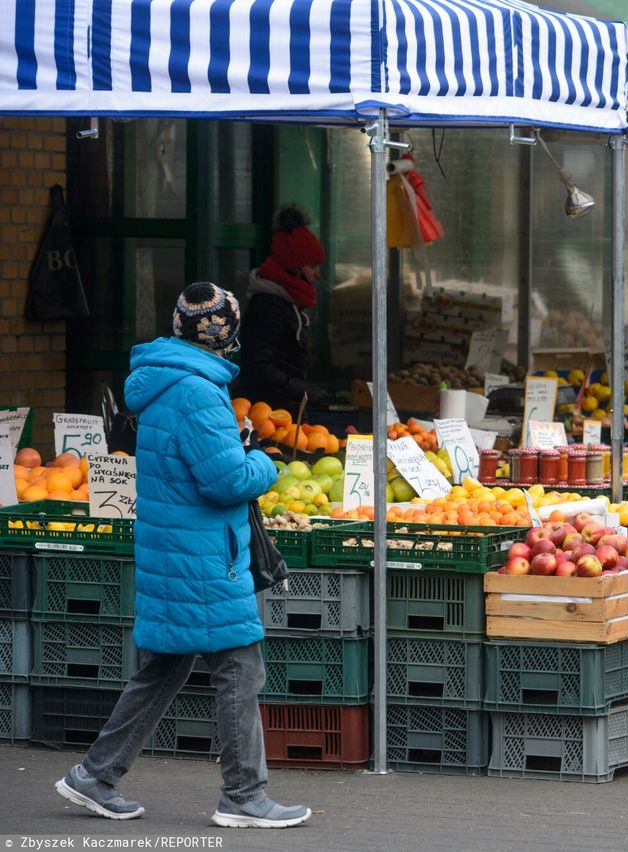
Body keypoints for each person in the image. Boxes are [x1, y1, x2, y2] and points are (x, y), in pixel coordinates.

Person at [54, 282, 312, 829]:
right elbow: (224, 480)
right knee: (240, 668)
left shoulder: (167, 381)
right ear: (228, 334)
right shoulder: (197, 391)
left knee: (164, 668)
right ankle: (243, 795)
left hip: (176, 550)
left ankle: (95, 775)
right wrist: (267, 462)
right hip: (203, 559)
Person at [237, 204, 328, 413]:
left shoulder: (287, 302)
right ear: (293, 266)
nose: (317, 274)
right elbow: (258, 365)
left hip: (282, 409)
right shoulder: (268, 306)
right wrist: (300, 389)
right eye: (312, 266)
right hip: (265, 412)